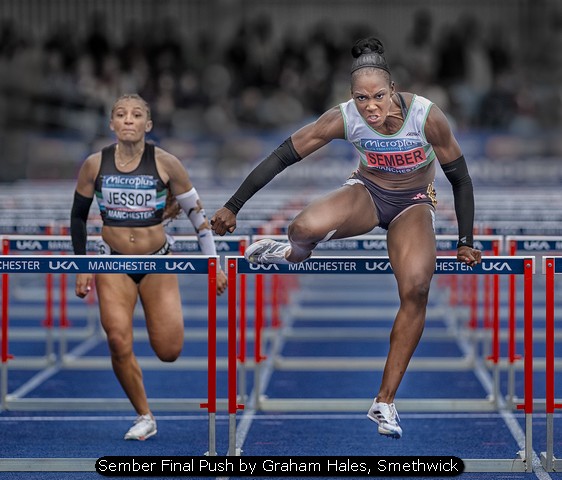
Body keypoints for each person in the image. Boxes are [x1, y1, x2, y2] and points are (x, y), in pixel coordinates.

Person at [211, 37, 481, 439]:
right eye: (361, 98)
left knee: (417, 288)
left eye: (378, 96)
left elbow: (460, 178)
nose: (370, 107)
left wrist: (465, 240)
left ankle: (384, 401)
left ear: (393, 90)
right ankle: (292, 253)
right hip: (367, 194)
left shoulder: (427, 117)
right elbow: (284, 154)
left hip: (412, 204)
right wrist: (234, 205)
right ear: (351, 97)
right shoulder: (343, 118)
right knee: (301, 228)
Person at [70, 93, 228, 441]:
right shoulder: (94, 164)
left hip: (157, 261)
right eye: (121, 114)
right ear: (111, 124)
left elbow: (199, 218)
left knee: (169, 350)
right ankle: (144, 414)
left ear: (148, 124)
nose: (128, 119)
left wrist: (213, 263)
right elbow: (78, 218)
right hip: (112, 261)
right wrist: (82, 265)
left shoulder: (167, 163)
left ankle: (146, 405)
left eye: (136, 114)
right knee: (117, 339)